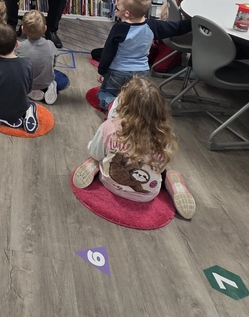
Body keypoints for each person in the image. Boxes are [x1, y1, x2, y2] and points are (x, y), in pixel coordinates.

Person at [72, 76, 195, 218]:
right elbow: (160, 165)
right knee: (165, 171)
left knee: (99, 155)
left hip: (110, 183)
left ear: (123, 103)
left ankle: (93, 165)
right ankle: (174, 183)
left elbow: (95, 151)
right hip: (147, 194)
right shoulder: (164, 136)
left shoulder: (110, 126)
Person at [96, 0, 191, 111]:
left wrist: (101, 70)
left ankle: (113, 106)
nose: (116, 5)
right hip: (141, 72)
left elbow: (108, 53)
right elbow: (176, 27)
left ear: (127, 14)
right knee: (137, 97)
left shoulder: (118, 28)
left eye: (118, 4)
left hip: (118, 71)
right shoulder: (153, 25)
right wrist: (194, 22)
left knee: (103, 92)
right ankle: (132, 111)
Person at [0, 23, 39, 133]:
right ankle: (28, 112)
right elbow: (28, 89)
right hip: (19, 109)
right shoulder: (27, 65)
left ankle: (1, 118)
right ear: (16, 44)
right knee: (28, 102)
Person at [149, 0, 195, 72]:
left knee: (159, 68)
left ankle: (177, 59)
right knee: (145, 59)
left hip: (173, 41)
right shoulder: (167, 5)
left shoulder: (183, 14)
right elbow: (162, 23)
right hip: (163, 38)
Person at [18, 10, 58, 103]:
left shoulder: (20, 47)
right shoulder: (50, 44)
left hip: (26, 83)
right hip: (46, 81)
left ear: (23, 29)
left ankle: (30, 91)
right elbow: (53, 64)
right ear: (45, 28)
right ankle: (50, 86)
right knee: (64, 80)